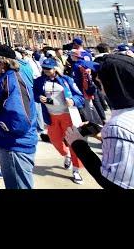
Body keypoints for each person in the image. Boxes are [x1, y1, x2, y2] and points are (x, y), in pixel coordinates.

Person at [64, 54, 134, 189]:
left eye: (100, 80)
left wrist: (78, 144)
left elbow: (112, 183)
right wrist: (102, 134)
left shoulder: (118, 126)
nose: (96, 79)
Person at [0, 44, 38, 189]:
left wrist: (1, 130)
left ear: (2, 61)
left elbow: (18, 119)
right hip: (8, 144)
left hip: (14, 146)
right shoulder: (4, 78)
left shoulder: (12, 80)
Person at [33, 57, 86, 184]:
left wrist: (73, 101)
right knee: (55, 141)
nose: (46, 71)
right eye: (44, 68)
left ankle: (76, 170)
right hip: (51, 117)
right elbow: (35, 94)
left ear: (55, 68)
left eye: (49, 69)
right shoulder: (40, 81)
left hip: (68, 115)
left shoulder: (66, 80)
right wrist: (39, 97)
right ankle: (65, 154)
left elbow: (80, 97)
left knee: (73, 143)